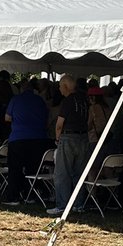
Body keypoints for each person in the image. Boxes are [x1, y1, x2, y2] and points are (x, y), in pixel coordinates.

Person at [3, 79, 50, 205]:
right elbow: (46, 117)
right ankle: (31, 194)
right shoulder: (40, 100)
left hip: (19, 138)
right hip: (38, 138)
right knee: (33, 169)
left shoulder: (16, 99)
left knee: (15, 168)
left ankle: (13, 197)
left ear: (21, 89)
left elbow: (7, 118)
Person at [49, 74, 89, 216]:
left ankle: (62, 205)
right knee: (78, 173)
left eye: (60, 85)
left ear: (65, 86)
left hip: (68, 137)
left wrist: (57, 139)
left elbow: (59, 124)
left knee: (62, 173)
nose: (59, 88)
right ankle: (78, 204)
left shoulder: (67, 101)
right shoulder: (84, 99)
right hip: (83, 138)